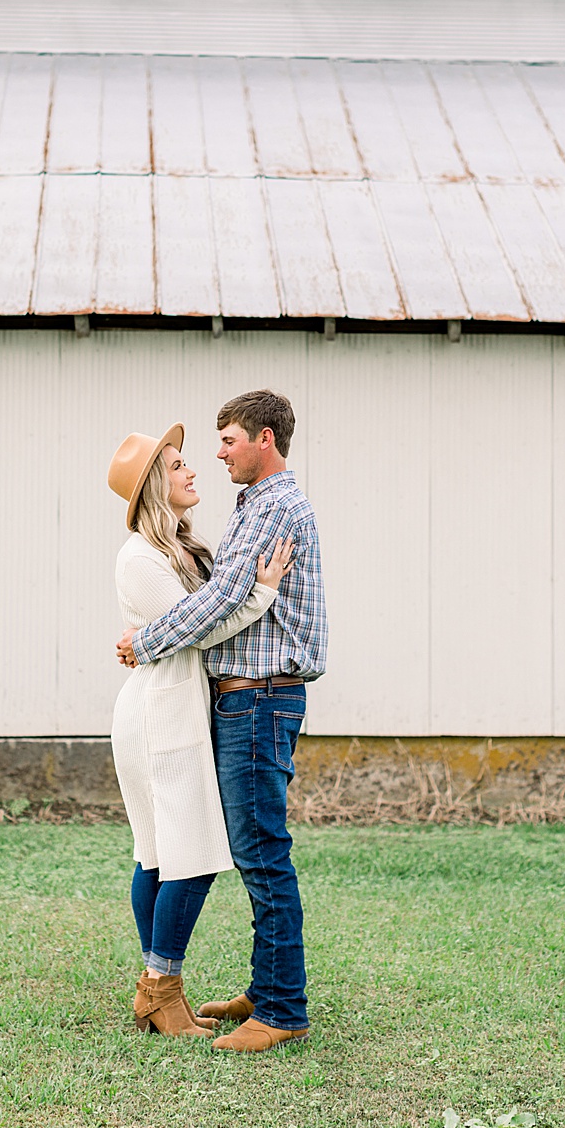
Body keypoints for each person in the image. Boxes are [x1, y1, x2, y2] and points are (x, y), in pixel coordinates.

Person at [116, 390, 327, 1055]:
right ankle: (266, 992)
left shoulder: (273, 510)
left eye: (229, 439)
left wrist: (146, 639)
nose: (216, 453)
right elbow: (221, 600)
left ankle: (282, 1008)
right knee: (243, 851)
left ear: (265, 439)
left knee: (260, 853)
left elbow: (225, 601)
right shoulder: (251, 508)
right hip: (238, 698)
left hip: (259, 698)